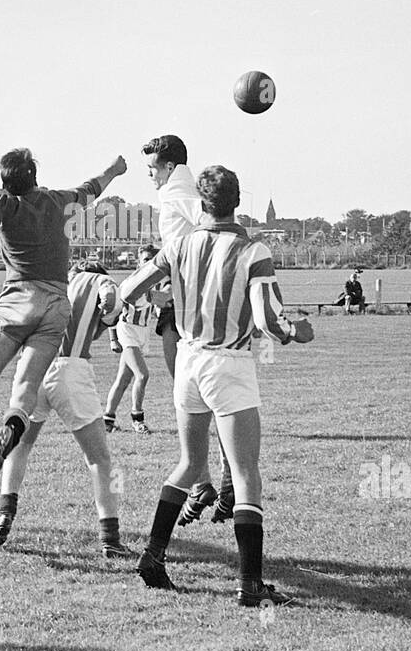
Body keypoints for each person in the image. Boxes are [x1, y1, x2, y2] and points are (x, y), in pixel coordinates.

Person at [120, 165, 314, 606]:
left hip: (188, 360)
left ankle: (153, 555)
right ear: (237, 202)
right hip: (229, 364)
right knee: (245, 477)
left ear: (201, 204)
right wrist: (296, 331)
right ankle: (250, 586)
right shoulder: (253, 250)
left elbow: (130, 288)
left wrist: (123, 305)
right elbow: (266, 318)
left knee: (189, 464)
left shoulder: (180, 244)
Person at [0, 148, 127, 504]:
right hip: (55, 307)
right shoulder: (60, 201)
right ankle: (13, 426)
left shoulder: (3, 206)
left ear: (5, 182)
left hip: (16, 303)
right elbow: (93, 187)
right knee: (27, 384)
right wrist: (115, 169)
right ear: (34, 175)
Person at [0, 261, 136, 559]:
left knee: (21, 445)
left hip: (33, 369)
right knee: (99, 460)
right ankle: (110, 538)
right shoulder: (98, 280)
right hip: (71, 370)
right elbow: (110, 299)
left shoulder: (50, 282)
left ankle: (5, 513)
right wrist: (109, 302)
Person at [142, 135, 234, 525]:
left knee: (198, 397)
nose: (150, 176)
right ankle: (207, 483)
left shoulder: (179, 188)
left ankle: (221, 483)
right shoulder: (178, 188)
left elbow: (211, 222)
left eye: (152, 168)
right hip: (183, 296)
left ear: (168, 166)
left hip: (190, 300)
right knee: (196, 397)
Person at [104, 244, 158, 434]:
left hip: (143, 333)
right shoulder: (130, 283)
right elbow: (112, 312)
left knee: (122, 380)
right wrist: (113, 339)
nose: (148, 263)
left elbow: (158, 306)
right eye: (145, 259)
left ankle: (107, 420)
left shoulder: (153, 285)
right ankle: (137, 419)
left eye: (152, 260)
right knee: (142, 375)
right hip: (127, 331)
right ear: (138, 262)